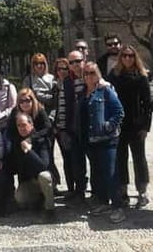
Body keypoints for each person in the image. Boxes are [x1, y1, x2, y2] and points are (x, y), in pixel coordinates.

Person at [80, 61, 125, 224]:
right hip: (91, 140)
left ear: (98, 74)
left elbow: (119, 112)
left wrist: (108, 126)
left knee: (111, 173)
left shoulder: (105, 90)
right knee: (98, 173)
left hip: (107, 140)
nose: (88, 76)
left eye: (92, 73)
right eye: (85, 73)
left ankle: (118, 207)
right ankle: (104, 202)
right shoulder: (84, 93)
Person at [108, 45, 152, 209]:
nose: (127, 59)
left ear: (135, 57)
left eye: (130, 56)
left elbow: (147, 104)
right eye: (124, 56)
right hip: (119, 124)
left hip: (136, 124)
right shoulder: (114, 75)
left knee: (139, 158)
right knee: (120, 158)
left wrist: (146, 126)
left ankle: (142, 191)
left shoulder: (141, 76)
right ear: (120, 57)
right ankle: (123, 190)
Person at [6, 113, 56, 223]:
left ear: (31, 125)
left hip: (43, 180)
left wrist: (29, 151)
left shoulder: (41, 140)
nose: (21, 128)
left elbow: (44, 166)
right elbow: (13, 167)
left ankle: (50, 209)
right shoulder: (17, 142)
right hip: (29, 182)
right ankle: (38, 200)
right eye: (19, 126)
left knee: (45, 176)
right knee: (20, 198)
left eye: (24, 125)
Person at [63, 49, 88, 203]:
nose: (75, 65)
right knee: (77, 163)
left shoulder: (91, 76)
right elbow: (67, 106)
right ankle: (80, 192)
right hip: (74, 127)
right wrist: (65, 128)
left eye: (77, 61)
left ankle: (99, 194)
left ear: (84, 60)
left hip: (90, 127)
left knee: (96, 161)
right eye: (71, 62)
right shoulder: (67, 81)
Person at [52, 57, 76, 195]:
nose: (62, 71)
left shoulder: (71, 83)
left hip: (70, 128)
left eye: (65, 68)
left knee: (74, 158)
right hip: (59, 128)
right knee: (66, 159)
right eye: (59, 69)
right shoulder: (55, 85)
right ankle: (70, 188)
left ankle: (78, 189)